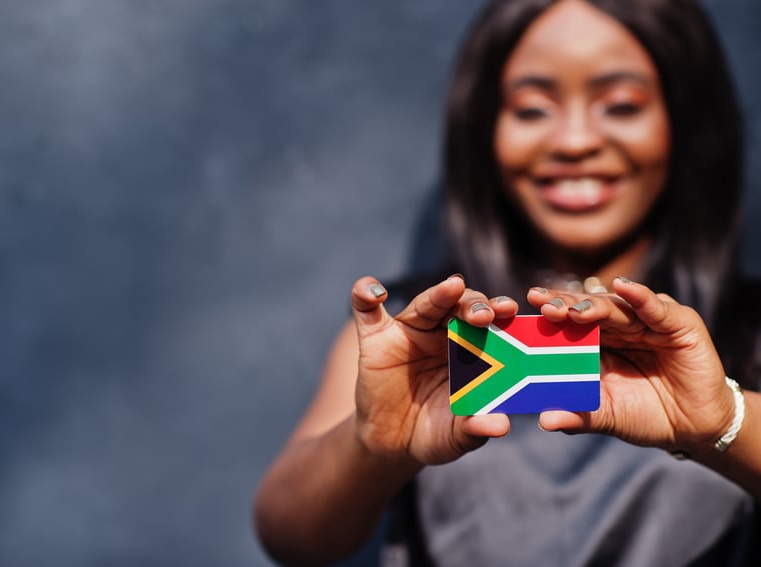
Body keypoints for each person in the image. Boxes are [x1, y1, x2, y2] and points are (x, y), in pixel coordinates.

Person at [254, 0, 761, 565]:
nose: (573, 141)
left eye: (620, 106)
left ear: (685, 122)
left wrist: (726, 422)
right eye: (531, 109)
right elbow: (290, 536)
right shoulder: (410, 334)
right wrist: (373, 447)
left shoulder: (750, 327)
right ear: (485, 129)